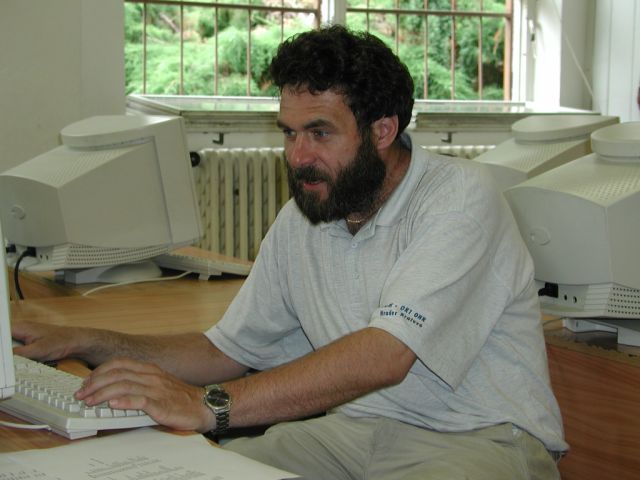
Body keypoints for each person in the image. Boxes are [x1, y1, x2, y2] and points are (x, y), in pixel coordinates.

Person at [12, 25, 568, 479]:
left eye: (319, 133)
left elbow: (386, 356)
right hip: (351, 433)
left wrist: (209, 405)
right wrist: (91, 342)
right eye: (288, 133)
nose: (298, 157)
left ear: (382, 130)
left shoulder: (458, 198)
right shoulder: (306, 216)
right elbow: (226, 351)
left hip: (479, 440)